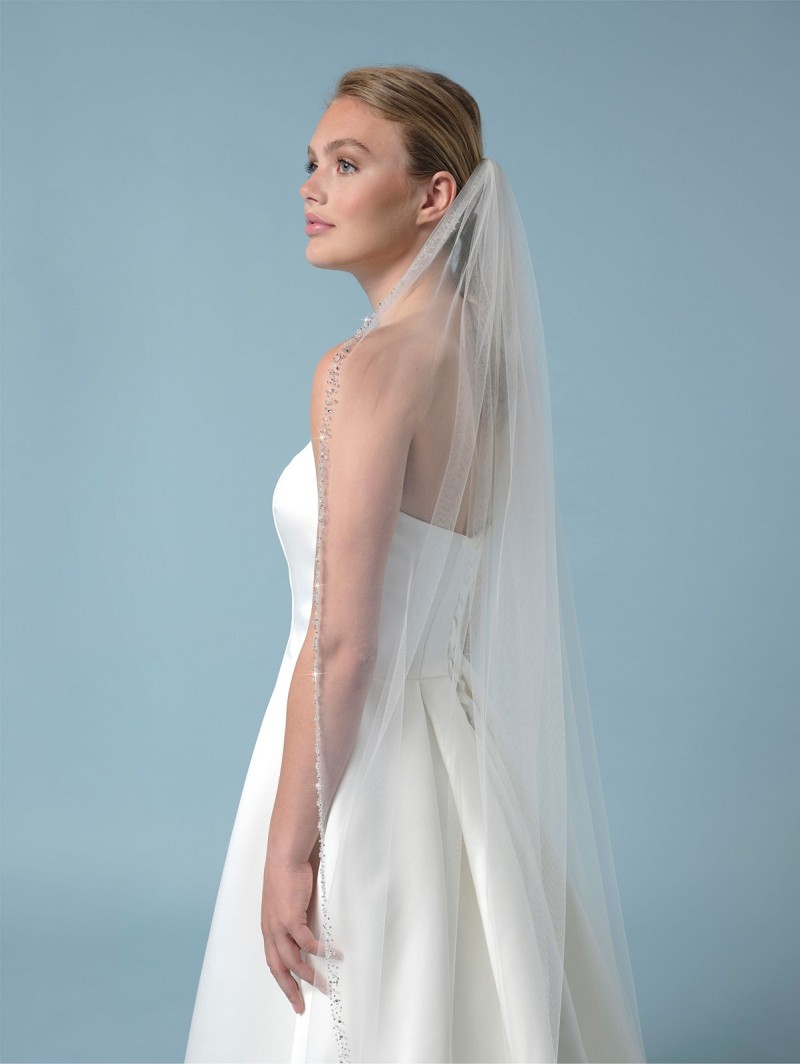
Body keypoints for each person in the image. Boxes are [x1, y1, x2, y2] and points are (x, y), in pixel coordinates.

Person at [184, 65, 646, 1064]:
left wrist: (290, 847)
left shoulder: (364, 368)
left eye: (347, 164)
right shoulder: (484, 357)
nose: (311, 186)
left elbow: (344, 640)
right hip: (450, 743)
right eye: (312, 162)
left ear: (435, 194)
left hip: (350, 746)